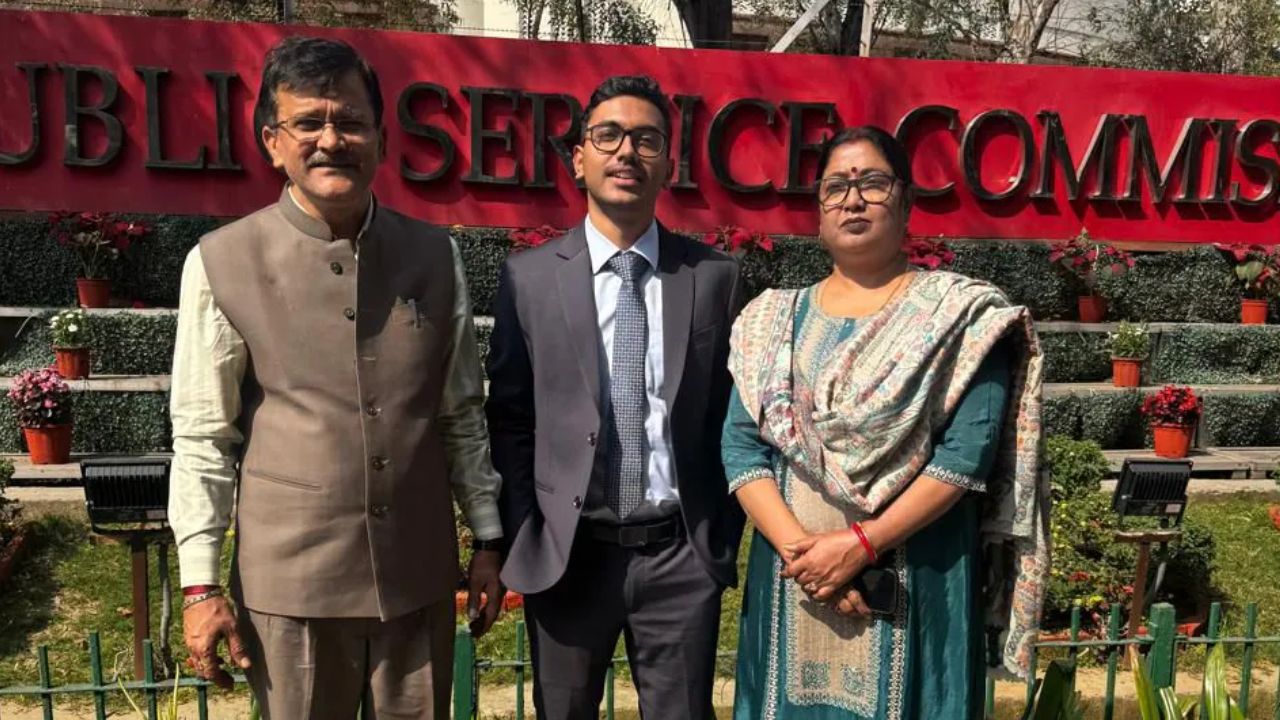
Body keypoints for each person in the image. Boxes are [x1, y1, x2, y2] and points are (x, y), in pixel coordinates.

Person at [168, 36, 504, 718]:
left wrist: (488, 538)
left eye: (350, 121)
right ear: (271, 141)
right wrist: (201, 587)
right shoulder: (221, 262)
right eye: (308, 123)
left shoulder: (435, 257)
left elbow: (461, 413)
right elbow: (203, 436)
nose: (332, 139)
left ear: (381, 137)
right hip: (290, 590)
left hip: (417, 579)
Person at [723, 126, 1050, 719]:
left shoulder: (963, 317)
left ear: (905, 201)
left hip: (919, 575)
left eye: (872, 183)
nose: (853, 199)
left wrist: (861, 544)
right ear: (817, 214)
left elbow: (965, 455)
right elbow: (742, 451)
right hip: (794, 583)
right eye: (835, 187)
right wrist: (812, 561)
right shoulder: (767, 322)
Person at [485, 75, 746, 720]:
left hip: (680, 555)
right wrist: (523, 531)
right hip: (570, 554)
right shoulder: (530, 278)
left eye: (646, 139)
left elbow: (734, 417)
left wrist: (720, 535)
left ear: (669, 163)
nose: (626, 152)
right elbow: (511, 418)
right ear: (579, 157)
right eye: (608, 136)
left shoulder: (714, 278)